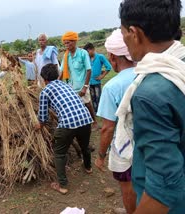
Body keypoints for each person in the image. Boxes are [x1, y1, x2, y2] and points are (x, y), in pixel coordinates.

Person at [119, 0, 185, 213]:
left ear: (134, 33)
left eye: (124, 34)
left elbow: (165, 184)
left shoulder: (150, 94)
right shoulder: (180, 67)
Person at [94, 29, 136, 214]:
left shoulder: (112, 87)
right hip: (151, 143)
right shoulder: (148, 73)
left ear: (112, 56)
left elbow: (107, 128)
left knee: (127, 186)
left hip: (126, 148)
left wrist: (101, 155)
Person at [35, 63, 93, 195]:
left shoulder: (45, 91)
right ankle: (88, 167)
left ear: (44, 79)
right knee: (85, 146)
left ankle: (62, 185)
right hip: (85, 119)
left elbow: (43, 118)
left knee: (59, 153)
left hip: (67, 124)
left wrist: (38, 126)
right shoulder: (66, 85)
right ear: (57, 75)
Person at [60, 31, 98, 130]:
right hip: (70, 86)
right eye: (65, 43)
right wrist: (57, 84)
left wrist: (85, 87)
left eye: (68, 42)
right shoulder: (66, 55)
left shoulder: (83, 53)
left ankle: (94, 122)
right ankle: (82, 123)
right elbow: (61, 71)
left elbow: (89, 70)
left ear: (74, 41)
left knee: (87, 103)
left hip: (82, 85)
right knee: (75, 105)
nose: (66, 45)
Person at [83, 42, 112, 113]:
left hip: (97, 82)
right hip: (89, 82)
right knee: (92, 98)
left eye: (88, 51)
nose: (87, 54)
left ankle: (101, 111)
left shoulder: (100, 57)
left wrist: (102, 76)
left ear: (93, 49)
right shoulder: (86, 59)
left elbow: (108, 67)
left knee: (98, 97)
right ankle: (96, 111)